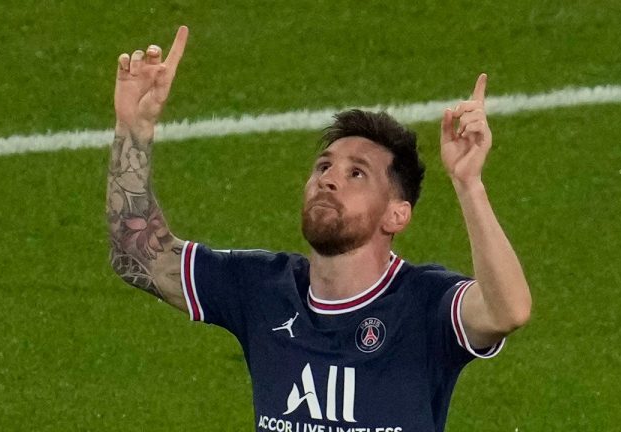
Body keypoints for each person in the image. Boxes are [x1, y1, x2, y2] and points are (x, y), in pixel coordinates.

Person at [107, 26, 531, 432]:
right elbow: (136, 254)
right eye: (324, 166)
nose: (329, 179)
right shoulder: (262, 289)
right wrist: (134, 129)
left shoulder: (425, 306)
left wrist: (468, 183)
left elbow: (508, 310)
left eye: (357, 174)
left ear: (396, 215)